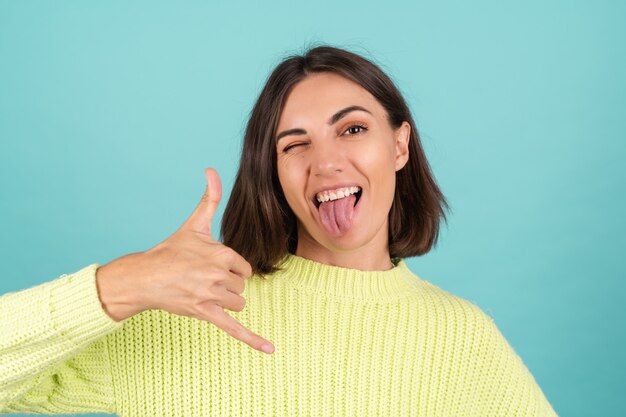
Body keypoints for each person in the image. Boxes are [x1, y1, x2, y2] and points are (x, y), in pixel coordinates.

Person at [0, 44, 559, 416]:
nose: (326, 162)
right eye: (294, 144)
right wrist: (118, 285)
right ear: (274, 172)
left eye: (353, 129)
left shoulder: (461, 338)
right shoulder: (186, 313)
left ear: (399, 145)